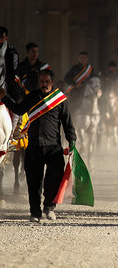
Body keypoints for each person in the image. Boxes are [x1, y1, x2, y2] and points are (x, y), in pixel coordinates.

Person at [0, 69, 76, 222]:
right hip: (34, 146)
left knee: (54, 180)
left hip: (53, 146)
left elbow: (67, 122)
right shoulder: (32, 97)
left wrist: (72, 140)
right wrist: (4, 98)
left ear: (52, 82)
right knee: (33, 182)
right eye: (42, 82)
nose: (44, 84)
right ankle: (35, 212)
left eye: (47, 82)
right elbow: (19, 110)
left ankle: (49, 208)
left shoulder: (60, 99)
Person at [0, 26, 23, 102]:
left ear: (6, 38)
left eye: (1, 37)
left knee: (17, 97)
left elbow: (15, 67)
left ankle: (18, 112)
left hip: (8, 77)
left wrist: (10, 78)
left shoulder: (11, 51)